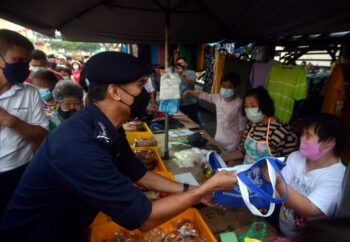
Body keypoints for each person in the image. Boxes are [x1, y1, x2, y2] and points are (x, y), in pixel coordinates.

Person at [0, 52, 237, 242]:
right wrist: (205, 188)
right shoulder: (78, 145)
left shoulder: (108, 127)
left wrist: (192, 190)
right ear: (114, 92)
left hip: (70, 226)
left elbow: (139, 173)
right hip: (35, 235)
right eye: (140, 85)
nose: (145, 93)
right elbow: (143, 219)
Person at [263, 114, 346, 236]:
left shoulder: (337, 176)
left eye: (308, 135)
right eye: (303, 133)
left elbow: (310, 209)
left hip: (308, 238)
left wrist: (278, 181)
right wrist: (264, 201)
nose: (302, 138)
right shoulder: (295, 157)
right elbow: (278, 192)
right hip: (282, 229)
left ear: (329, 142)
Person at [0, 29, 49, 218]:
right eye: (18, 61)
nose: (25, 68)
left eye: (27, 62)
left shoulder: (30, 92)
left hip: (19, 172)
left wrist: (10, 120)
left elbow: (42, 135)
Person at [222, 87, 298, 164]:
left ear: (264, 105)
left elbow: (291, 161)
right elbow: (242, 152)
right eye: (246, 106)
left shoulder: (279, 130)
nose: (249, 110)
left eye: (253, 106)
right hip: (246, 171)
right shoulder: (250, 126)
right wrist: (222, 158)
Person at [182, 72, 246, 152]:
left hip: (231, 146)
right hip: (217, 141)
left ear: (236, 87)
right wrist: (189, 92)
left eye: (229, 87)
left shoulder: (239, 104)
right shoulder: (218, 98)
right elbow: (204, 95)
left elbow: (242, 129)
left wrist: (237, 147)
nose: (225, 89)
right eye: (223, 86)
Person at [176, 57, 200, 124]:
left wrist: (183, 74)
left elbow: (191, 82)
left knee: (194, 123)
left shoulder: (191, 72)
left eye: (182, 63)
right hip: (179, 104)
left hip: (191, 102)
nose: (180, 65)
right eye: (179, 64)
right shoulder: (175, 74)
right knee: (181, 123)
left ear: (186, 64)